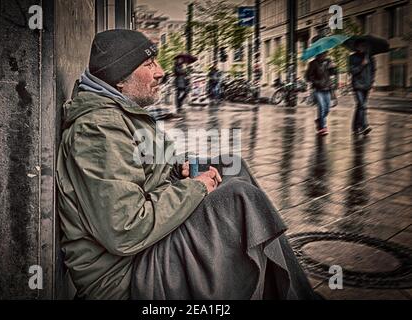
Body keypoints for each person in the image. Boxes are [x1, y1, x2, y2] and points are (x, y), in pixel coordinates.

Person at [56, 30, 316, 300]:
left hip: (146, 251)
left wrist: (177, 168)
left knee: (232, 167)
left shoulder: (120, 112)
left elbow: (140, 170)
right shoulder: (98, 130)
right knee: (241, 198)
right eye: (149, 64)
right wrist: (194, 189)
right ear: (120, 79)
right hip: (125, 275)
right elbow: (126, 229)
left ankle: (289, 292)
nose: (161, 72)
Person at [305, 51, 337, 136]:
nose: (325, 55)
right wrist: (316, 82)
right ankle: (323, 127)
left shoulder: (329, 62)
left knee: (327, 109)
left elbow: (333, 73)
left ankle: (319, 120)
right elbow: (308, 77)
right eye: (323, 53)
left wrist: (333, 67)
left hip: (327, 88)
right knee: (322, 107)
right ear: (319, 54)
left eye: (326, 53)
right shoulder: (313, 63)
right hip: (318, 89)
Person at [348, 40, 376, 135]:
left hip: (367, 85)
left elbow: (373, 71)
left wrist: (372, 83)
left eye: (364, 45)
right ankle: (364, 126)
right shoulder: (352, 57)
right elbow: (352, 71)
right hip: (357, 85)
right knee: (362, 105)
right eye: (360, 46)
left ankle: (355, 127)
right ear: (356, 47)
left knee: (360, 106)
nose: (362, 47)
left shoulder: (370, 58)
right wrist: (362, 65)